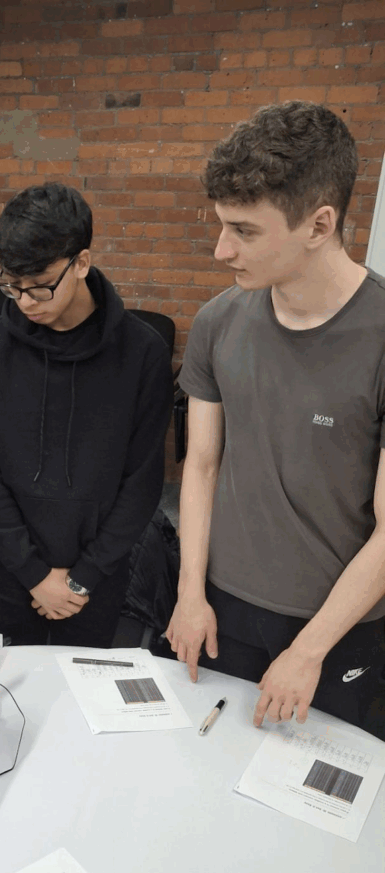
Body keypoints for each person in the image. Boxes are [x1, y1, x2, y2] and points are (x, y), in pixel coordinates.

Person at [167, 101, 385, 734]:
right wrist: (189, 592)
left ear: (319, 224)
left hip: (337, 623)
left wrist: (309, 650)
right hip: (222, 604)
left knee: (312, 780)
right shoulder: (218, 321)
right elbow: (201, 465)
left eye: (244, 231)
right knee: (209, 755)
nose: (221, 249)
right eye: (221, 226)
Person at [0, 182, 172, 647]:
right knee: (8, 685)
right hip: (11, 569)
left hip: (98, 578)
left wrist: (83, 578)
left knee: (82, 683)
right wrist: (34, 574)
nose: (24, 301)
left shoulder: (143, 353)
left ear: (81, 263)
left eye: (39, 285)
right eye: (12, 285)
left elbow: (141, 483)